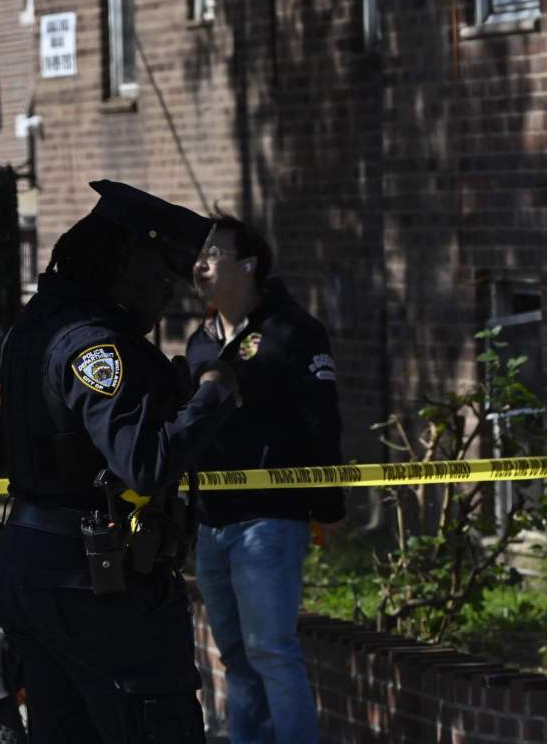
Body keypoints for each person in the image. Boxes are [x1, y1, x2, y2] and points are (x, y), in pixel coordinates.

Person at [0, 179, 241, 743]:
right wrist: (214, 391)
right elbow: (146, 463)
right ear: (127, 258)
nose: (170, 291)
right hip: (95, 588)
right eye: (164, 272)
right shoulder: (95, 347)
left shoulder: (35, 327)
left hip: (38, 571)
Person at [185, 215, 345, 744]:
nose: (200, 263)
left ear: (249, 265)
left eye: (214, 253)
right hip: (213, 522)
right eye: (199, 254)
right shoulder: (201, 342)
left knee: (272, 651)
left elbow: (323, 423)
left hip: (270, 520)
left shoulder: (293, 332)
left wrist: (327, 509)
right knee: (237, 658)